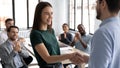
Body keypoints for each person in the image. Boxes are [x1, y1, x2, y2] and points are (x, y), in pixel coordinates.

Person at [30, 2, 88, 68]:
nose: (51, 16)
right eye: (47, 13)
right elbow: (47, 59)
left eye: (51, 13)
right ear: (39, 15)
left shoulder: (51, 31)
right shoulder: (35, 34)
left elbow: (56, 52)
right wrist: (69, 56)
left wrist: (61, 64)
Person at [88, 0, 120, 68]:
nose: (95, 6)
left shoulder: (102, 33)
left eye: (96, 3)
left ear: (103, 4)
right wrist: (90, 59)